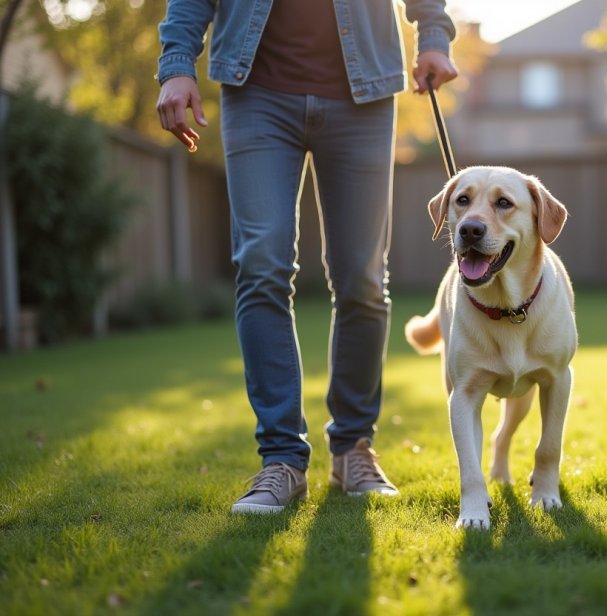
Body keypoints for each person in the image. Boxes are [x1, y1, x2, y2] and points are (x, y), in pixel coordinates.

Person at [156, 0, 458, 514]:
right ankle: (281, 460)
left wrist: (433, 32)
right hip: (256, 91)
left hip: (363, 92)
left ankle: (353, 449)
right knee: (261, 265)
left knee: (362, 278)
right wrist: (177, 63)